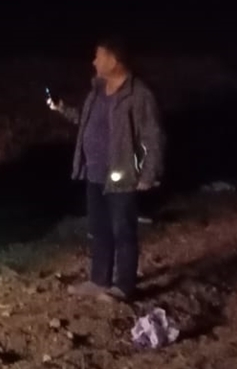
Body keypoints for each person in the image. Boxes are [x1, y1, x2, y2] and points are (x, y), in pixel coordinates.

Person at [50, 39, 164, 302]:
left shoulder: (139, 94)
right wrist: (62, 109)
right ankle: (99, 280)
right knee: (99, 229)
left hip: (122, 172)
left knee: (123, 230)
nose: (94, 62)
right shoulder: (98, 89)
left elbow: (153, 135)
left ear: (114, 61)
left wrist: (149, 173)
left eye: (98, 57)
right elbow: (85, 120)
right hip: (94, 171)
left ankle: (124, 287)